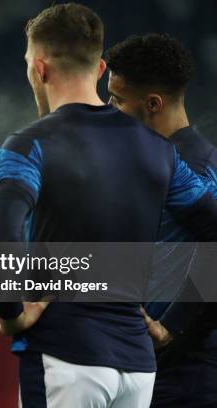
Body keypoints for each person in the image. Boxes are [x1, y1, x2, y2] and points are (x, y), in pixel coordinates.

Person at [0, 3, 217, 407]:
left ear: (39, 68)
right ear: (100, 68)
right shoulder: (159, 152)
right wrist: (167, 326)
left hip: (67, 358)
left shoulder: (28, 144)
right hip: (137, 366)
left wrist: (11, 313)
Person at [106, 33, 217, 407]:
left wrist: (172, 328)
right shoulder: (161, 163)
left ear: (153, 104)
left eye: (118, 99)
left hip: (184, 376)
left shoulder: (192, 170)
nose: (108, 107)